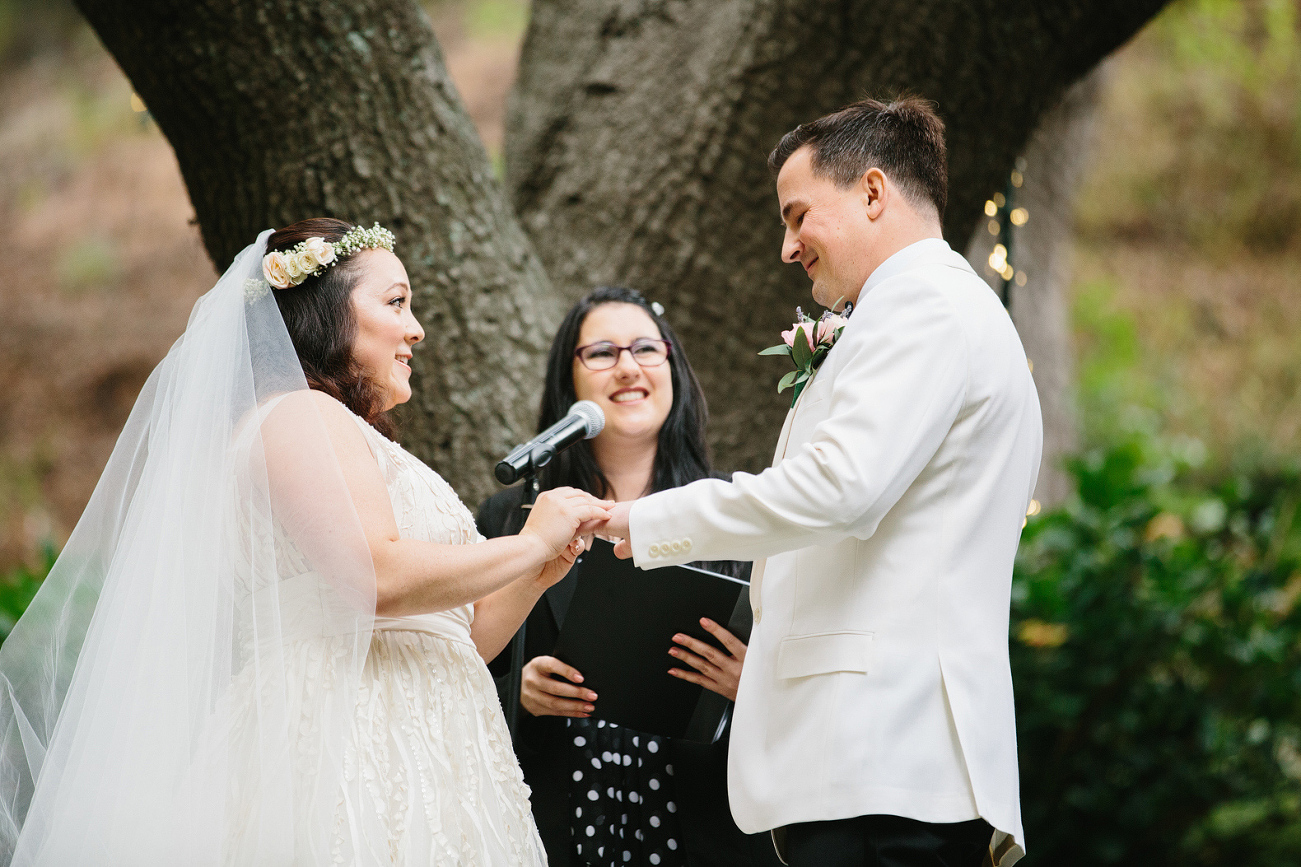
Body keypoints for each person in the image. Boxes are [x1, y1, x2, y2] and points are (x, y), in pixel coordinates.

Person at [0, 217, 609, 864]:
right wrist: (526, 541)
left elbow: (455, 636)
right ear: (325, 311)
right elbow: (376, 580)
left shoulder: (347, 432)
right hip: (345, 736)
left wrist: (531, 574)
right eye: (396, 302)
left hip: (441, 738)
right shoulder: (297, 414)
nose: (416, 327)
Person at [604, 98, 1044, 867]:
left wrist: (641, 520)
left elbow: (838, 488)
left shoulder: (923, 304)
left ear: (873, 192)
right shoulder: (925, 307)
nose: (786, 245)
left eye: (798, 214)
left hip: (886, 760)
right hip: (874, 764)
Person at [477, 286, 782, 867]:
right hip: (557, 821)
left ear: (674, 369)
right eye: (601, 353)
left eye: (646, 348)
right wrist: (515, 692)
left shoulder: (733, 513)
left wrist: (757, 686)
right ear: (569, 382)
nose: (627, 367)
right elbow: (450, 671)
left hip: (702, 821)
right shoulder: (510, 518)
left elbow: (795, 668)